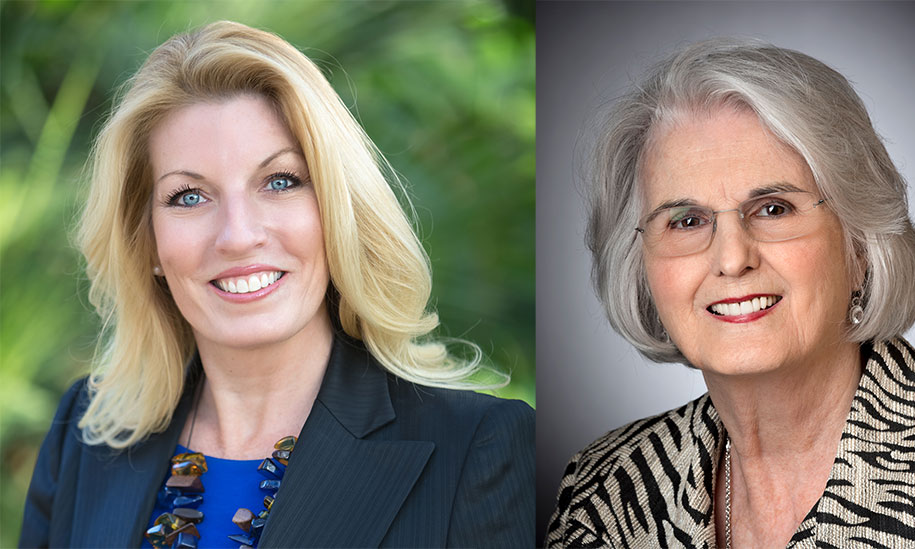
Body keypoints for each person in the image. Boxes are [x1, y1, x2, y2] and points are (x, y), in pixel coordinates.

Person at [545, 39, 915, 548]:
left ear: (859, 245)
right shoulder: (602, 493)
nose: (732, 259)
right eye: (687, 221)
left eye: (774, 209)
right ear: (640, 262)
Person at [19, 21, 533, 548]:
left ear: (336, 209)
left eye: (280, 182)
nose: (238, 236)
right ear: (146, 238)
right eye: (189, 196)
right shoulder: (84, 434)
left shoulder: (477, 447)